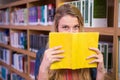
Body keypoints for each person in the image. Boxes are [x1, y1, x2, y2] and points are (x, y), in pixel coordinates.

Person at [34, 4, 105, 80]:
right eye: (65, 27)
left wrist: (100, 70)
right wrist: (43, 68)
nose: (71, 32)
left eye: (76, 27)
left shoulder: (89, 53)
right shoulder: (42, 54)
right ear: (57, 29)